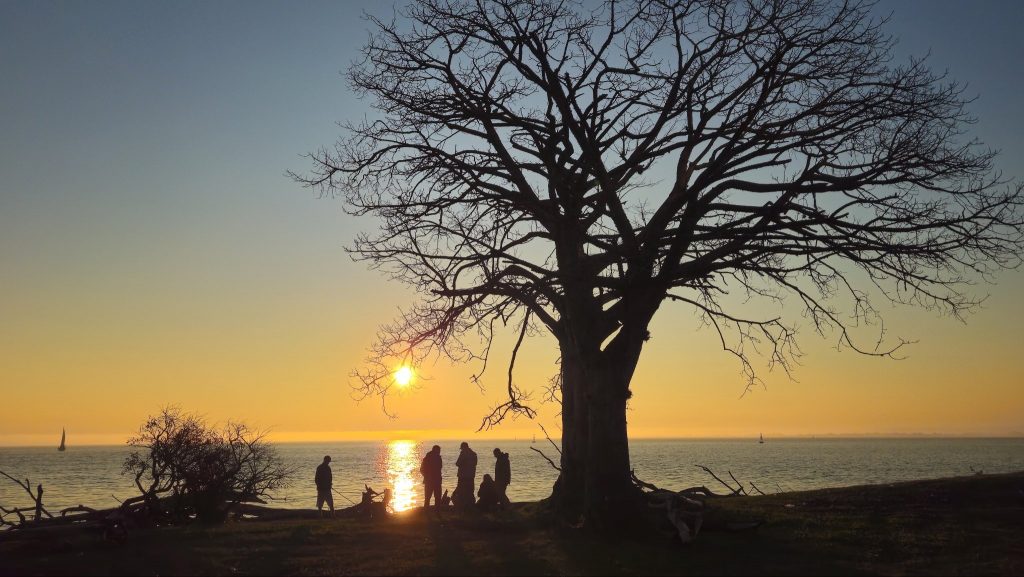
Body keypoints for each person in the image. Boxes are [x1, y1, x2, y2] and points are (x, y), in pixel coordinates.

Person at [453, 441, 477, 509]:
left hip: (463, 476)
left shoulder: (463, 453)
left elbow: (457, 463)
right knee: (470, 491)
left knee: (461, 491)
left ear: (463, 447)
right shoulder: (473, 454)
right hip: (471, 476)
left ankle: (462, 507)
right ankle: (471, 506)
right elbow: (475, 464)